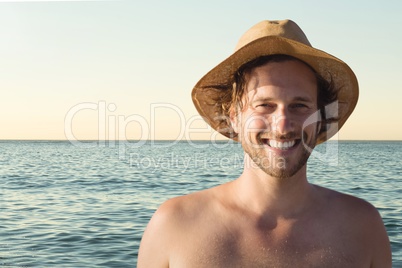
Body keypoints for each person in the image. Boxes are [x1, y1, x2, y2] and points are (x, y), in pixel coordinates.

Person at [137, 20, 392, 267]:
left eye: (299, 105)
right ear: (234, 118)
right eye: (264, 105)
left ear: (321, 118)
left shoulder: (362, 228)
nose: (282, 126)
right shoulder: (174, 225)